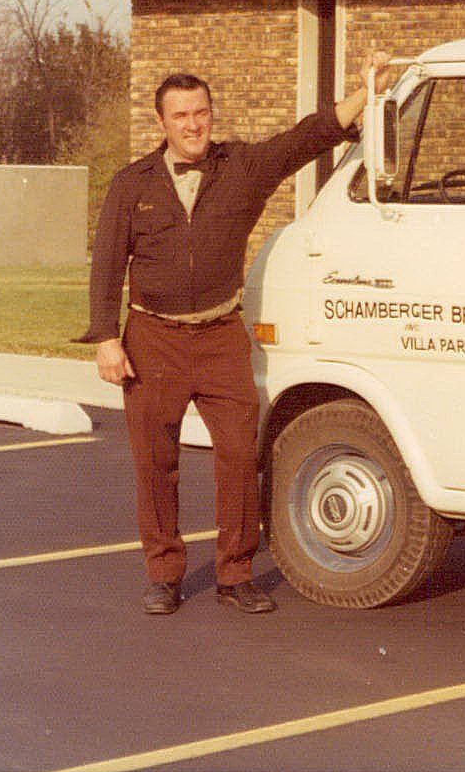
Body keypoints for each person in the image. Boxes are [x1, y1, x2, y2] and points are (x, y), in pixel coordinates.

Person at [81, 52, 391, 615]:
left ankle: (235, 573)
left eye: (201, 112)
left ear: (211, 115)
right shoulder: (132, 185)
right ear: (162, 123)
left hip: (222, 335)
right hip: (152, 338)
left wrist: (362, 94)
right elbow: (106, 264)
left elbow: (304, 140)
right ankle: (164, 574)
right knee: (155, 461)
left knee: (238, 455)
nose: (194, 124)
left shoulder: (242, 168)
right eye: (181, 116)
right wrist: (107, 338)